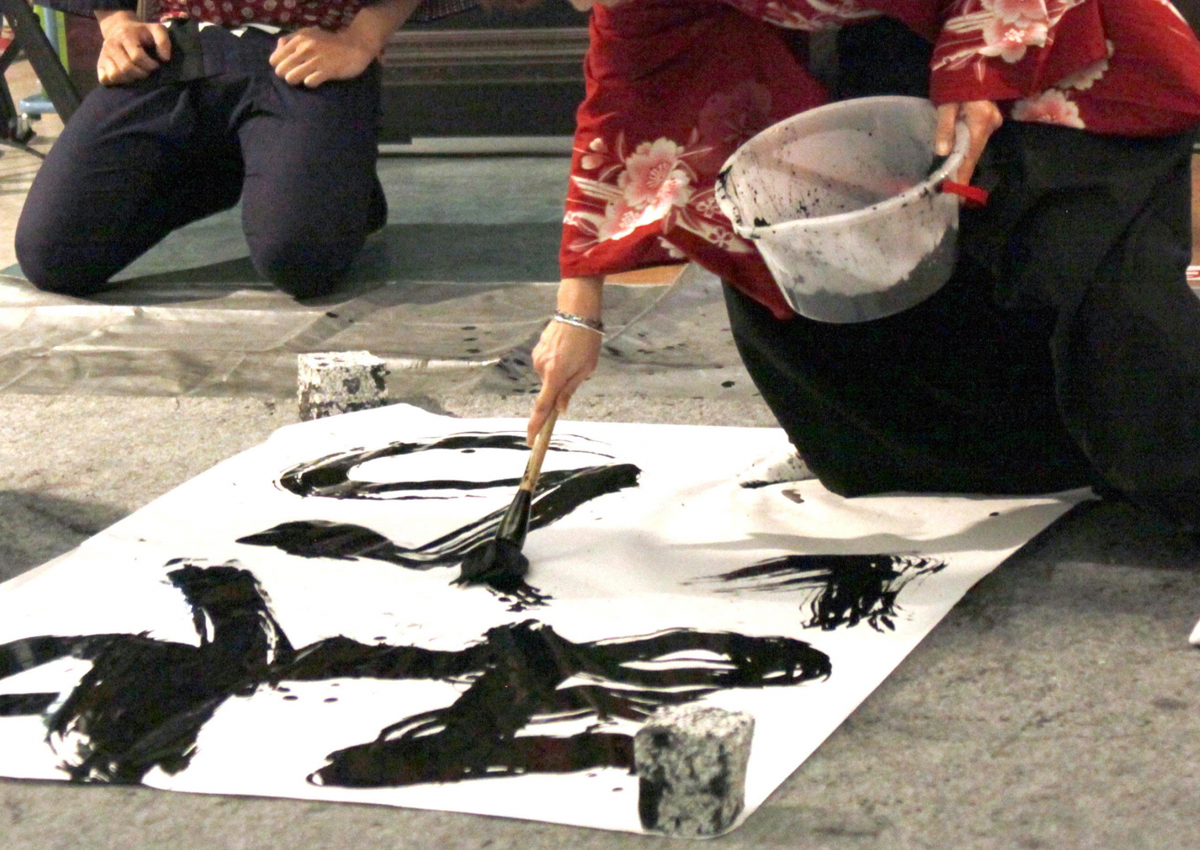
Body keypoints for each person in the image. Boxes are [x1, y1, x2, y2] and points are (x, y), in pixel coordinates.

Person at [526, 0, 1200, 531]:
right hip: (892, 41)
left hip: (1048, 31)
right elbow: (624, 91)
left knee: (1080, 266)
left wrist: (981, 69)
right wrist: (577, 311)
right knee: (782, 223)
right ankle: (937, 455)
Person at [12, 0, 480, 298]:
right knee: (54, 255)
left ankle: (336, 176)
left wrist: (363, 37)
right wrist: (117, 23)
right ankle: (246, 160)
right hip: (180, 42)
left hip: (306, 47)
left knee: (301, 259)